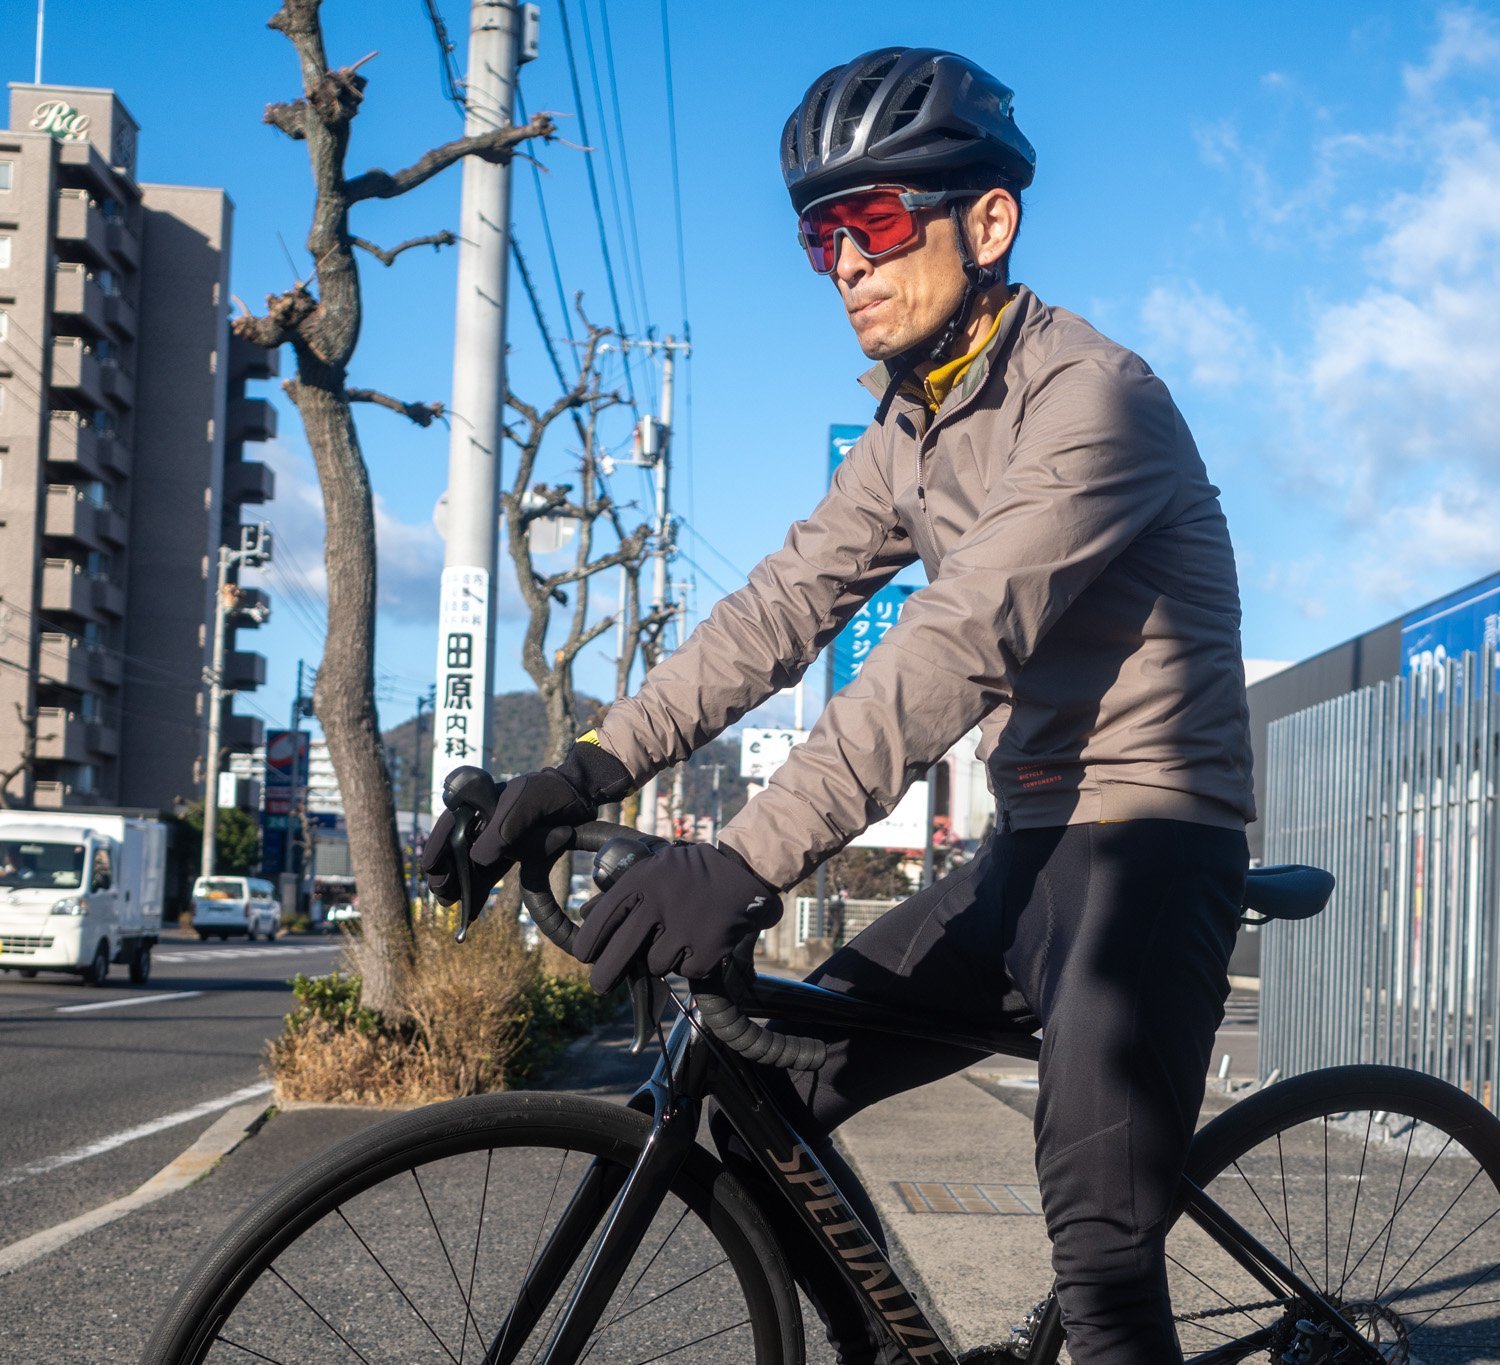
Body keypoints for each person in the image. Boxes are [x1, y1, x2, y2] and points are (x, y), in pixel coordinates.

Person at [425, 46, 1253, 1365]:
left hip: (1154, 832)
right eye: (823, 237)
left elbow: (957, 639)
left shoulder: (1096, 400)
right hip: (1031, 841)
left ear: (988, 221)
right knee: (782, 1085)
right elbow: (777, 612)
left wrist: (750, 857)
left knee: (1099, 1248)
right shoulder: (907, 429)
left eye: (873, 220)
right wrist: (583, 769)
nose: (846, 263)